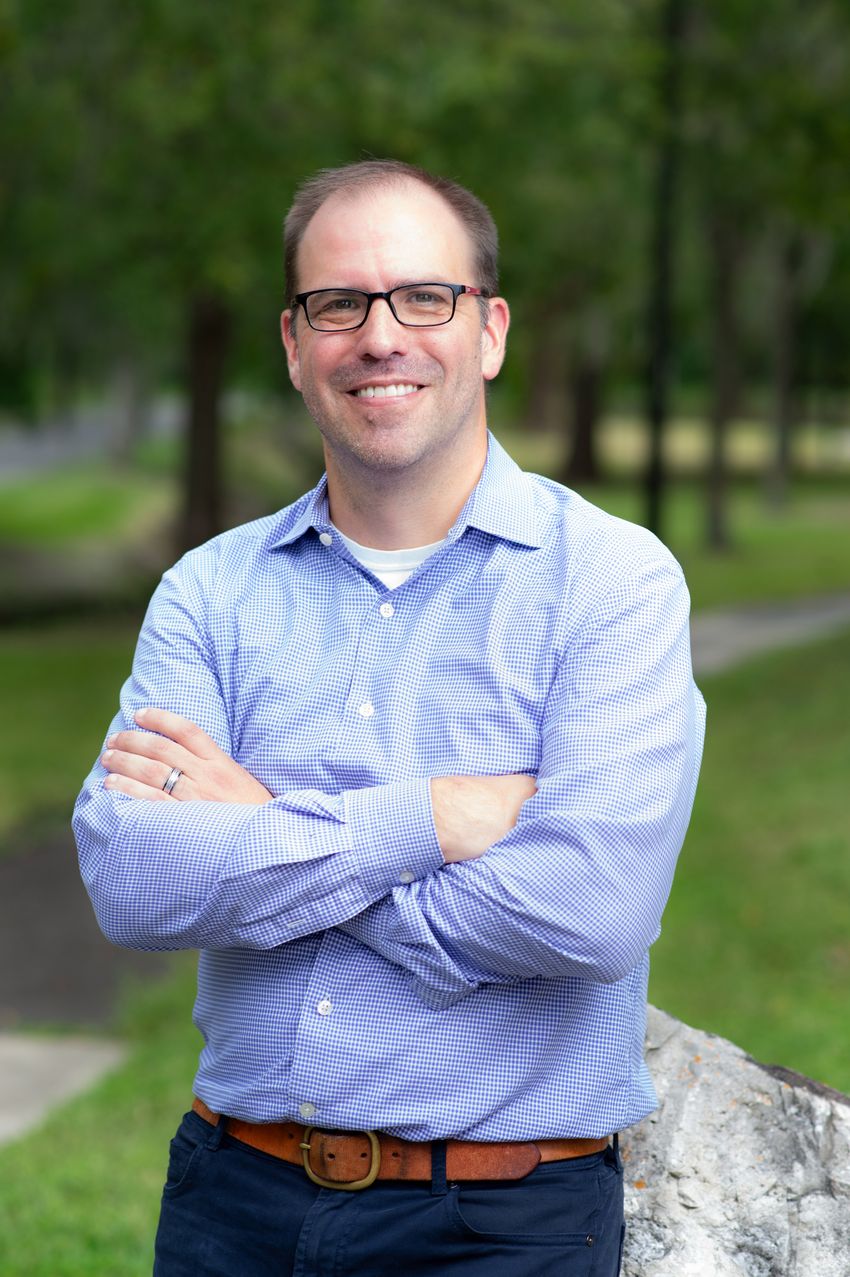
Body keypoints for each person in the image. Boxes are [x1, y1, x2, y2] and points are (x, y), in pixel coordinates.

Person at [74, 159, 705, 1277]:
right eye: (338, 304)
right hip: (233, 1201)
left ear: (490, 330)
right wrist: (423, 818)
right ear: (292, 340)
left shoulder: (611, 582)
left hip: (502, 1228)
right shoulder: (210, 591)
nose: (380, 335)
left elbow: (585, 916)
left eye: (424, 296)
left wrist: (264, 822)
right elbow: (133, 879)